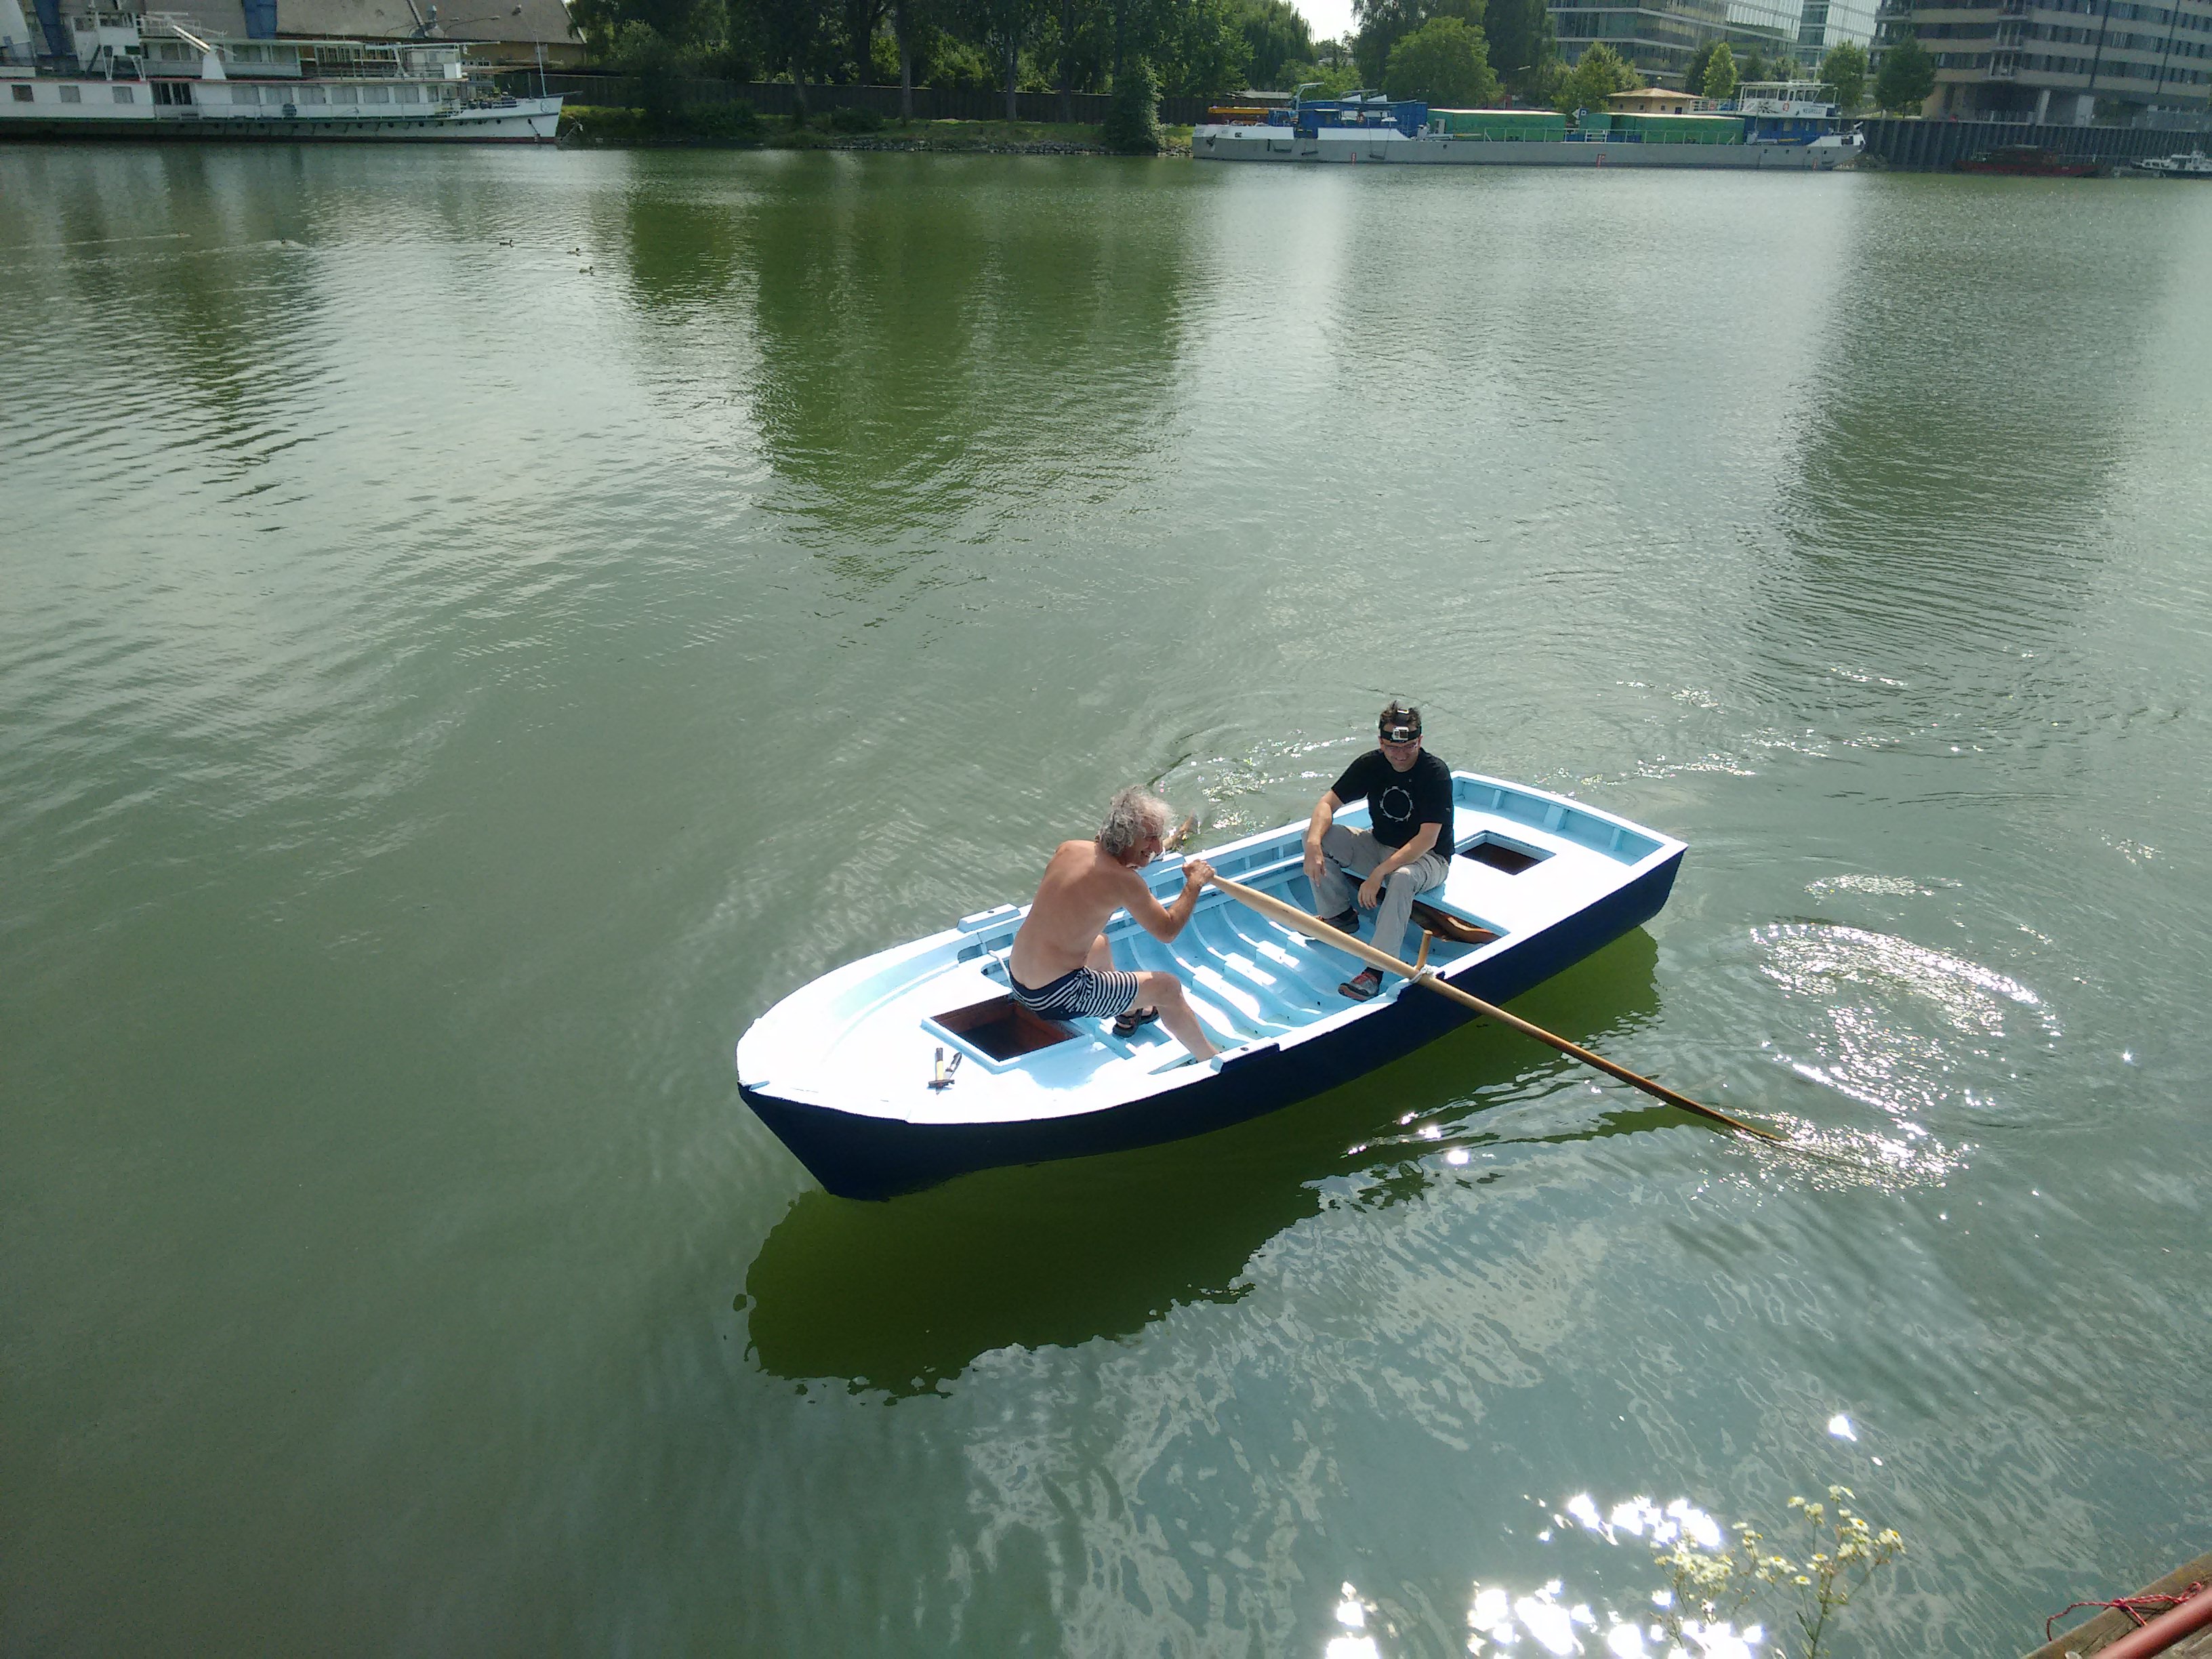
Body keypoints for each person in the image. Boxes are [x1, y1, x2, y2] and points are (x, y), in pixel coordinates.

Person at [1008, 787, 1219, 1061]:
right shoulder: (1124, 882)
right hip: (1053, 996)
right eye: (1151, 839)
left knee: (1101, 944)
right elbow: (1167, 931)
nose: (1156, 848)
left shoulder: (1070, 848)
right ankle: (1212, 1059)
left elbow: (1106, 866)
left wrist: (1139, 855)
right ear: (1125, 839)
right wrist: (1195, 883)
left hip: (1019, 977)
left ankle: (1128, 1012)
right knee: (1168, 989)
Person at [1303, 701, 1455, 1000]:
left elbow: (1427, 838)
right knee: (1319, 835)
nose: (1400, 755)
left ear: (1420, 741)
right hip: (1378, 844)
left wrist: (1378, 874)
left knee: (1401, 878)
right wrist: (1312, 845)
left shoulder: (1435, 773)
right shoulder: (1371, 764)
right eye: (1392, 747)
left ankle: (1376, 969)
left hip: (1429, 858)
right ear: (1381, 743)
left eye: (1409, 747)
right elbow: (1326, 804)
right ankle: (1339, 916)